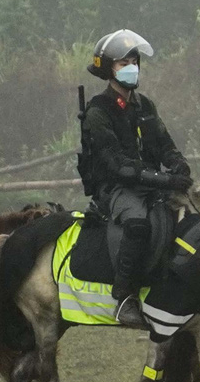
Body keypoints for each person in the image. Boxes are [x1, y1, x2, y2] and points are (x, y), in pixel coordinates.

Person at [79, 31, 191, 302]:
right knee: (138, 224)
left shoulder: (145, 105)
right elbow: (118, 166)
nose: (132, 68)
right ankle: (124, 293)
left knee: (194, 218)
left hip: (152, 185)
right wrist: (163, 181)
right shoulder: (98, 111)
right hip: (118, 188)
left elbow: (166, 145)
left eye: (134, 61)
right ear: (108, 70)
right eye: (123, 63)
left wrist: (179, 166)